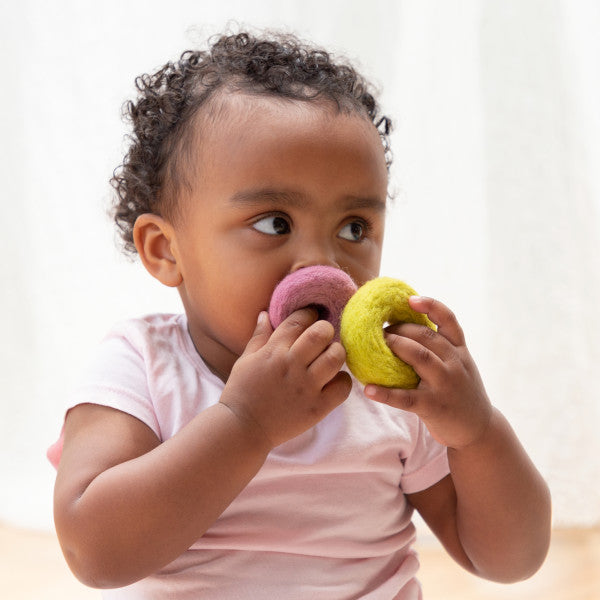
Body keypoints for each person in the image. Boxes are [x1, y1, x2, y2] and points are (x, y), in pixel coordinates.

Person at [50, 30, 551, 599]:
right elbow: (93, 551)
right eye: (274, 223)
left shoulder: (391, 388)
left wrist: (476, 431)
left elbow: (513, 560)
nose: (324, 262)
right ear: (167, 250)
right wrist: (245, 424)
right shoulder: (142, 365)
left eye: (354, 228)